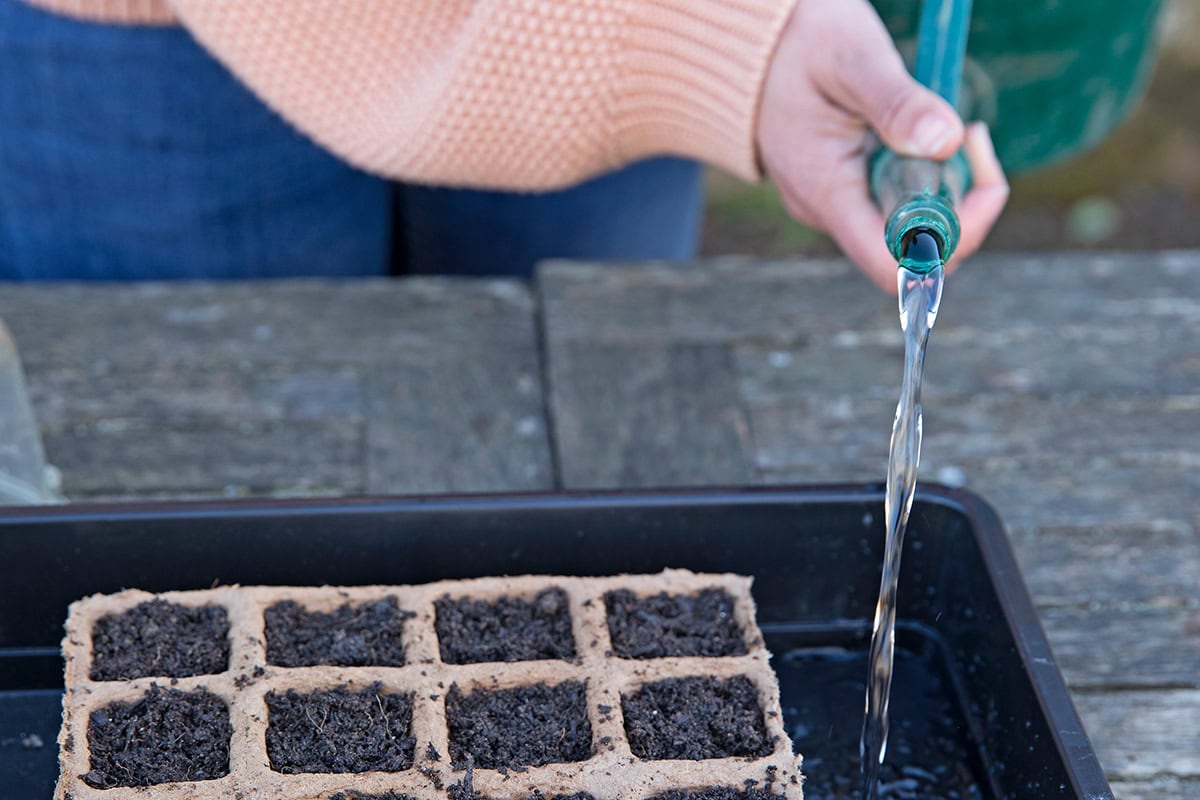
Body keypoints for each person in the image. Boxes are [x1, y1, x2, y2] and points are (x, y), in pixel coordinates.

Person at [1, 0, 1007, 292]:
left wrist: (740, 43)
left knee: (588, 484)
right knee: (217, 511)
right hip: (152, 47)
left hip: (635, 38)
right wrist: (709, 38)